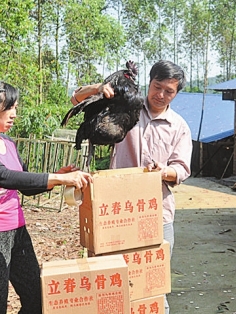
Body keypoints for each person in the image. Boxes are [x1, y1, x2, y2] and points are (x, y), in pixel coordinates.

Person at [0, 80, 92, 314]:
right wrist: (58, 179)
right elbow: (3, 177)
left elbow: (25, 185)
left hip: (17, 231)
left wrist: (55, 178)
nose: (14, 114)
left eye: (16, 108)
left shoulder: (8, 143)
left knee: (37, 300)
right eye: (8, 108)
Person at [71, 60, 192, 314]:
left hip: (158, 214)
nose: (160, 95)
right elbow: (76, 99)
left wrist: (165, 172)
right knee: (112, 285)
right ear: (148, 83)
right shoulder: (125, 106)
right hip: (117, 213)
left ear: (177, 93)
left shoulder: (179, 126)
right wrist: (98, 88)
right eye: (157, 87)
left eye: (168, 91)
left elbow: (181, 169)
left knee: (153, 288)